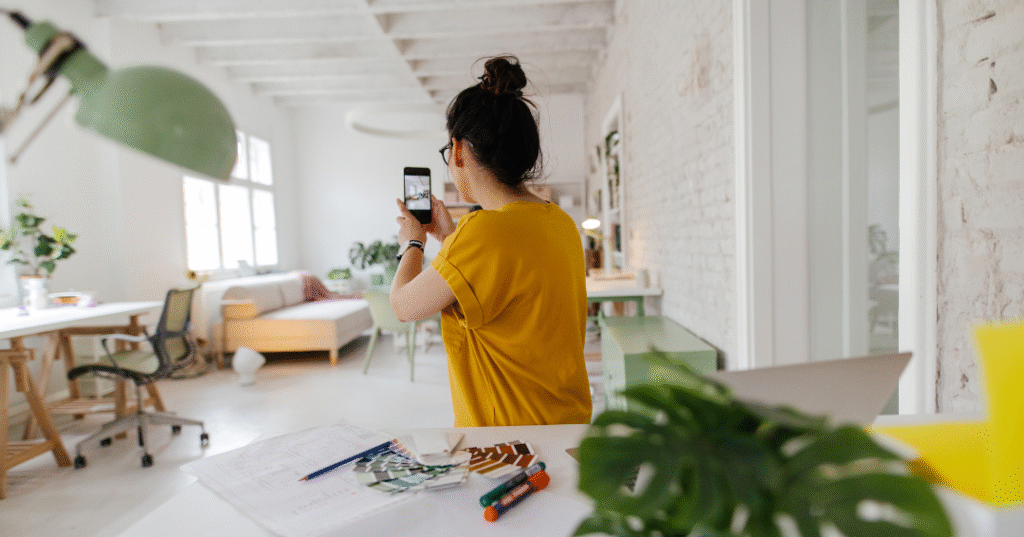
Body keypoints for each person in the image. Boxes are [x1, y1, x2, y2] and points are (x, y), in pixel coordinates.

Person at [390, 55, 592, 427]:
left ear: (459, 150)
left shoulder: (481, 232)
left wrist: (413, 243)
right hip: (569, 426)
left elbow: (404, 306)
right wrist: (448, 238)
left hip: (510, 445)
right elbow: (504, 288)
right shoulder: (561, 224)